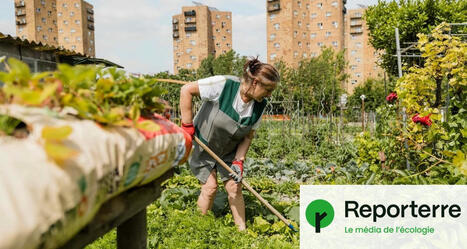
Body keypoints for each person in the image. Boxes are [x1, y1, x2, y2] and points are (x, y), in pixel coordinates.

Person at [179, 58, 280, 231]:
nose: (269, 95)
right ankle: (197, 230)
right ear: (255, 82)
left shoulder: (260, 105)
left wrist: (239, 160)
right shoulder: (223, 84)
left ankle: (242, 232)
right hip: (204, 144)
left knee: (235, 187)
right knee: (210, 188)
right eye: (268, 89)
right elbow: (186, 90)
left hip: (229, 151)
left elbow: (248, 136)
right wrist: (187, 126)